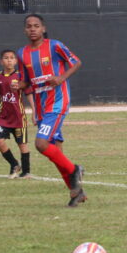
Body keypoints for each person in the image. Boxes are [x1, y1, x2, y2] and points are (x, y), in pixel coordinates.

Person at [15, 14, 86, 207]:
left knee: (41, 143)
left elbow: (76, 62)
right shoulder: (22, 53)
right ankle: (76, 192)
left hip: (57, 103)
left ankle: (76, 170)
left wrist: (61, 78)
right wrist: (18, 85)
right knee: (56, 154)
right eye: (29, 26)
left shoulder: (55, 46)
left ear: (43, 28)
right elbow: (26, 80)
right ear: (24, 30)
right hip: (41, 107)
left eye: (36, 26)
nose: (32, 29)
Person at [0, 49, 34, 179]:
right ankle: (14, 164)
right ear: (1, 61)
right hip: (4, 117)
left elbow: (29, 93)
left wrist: (34, 112)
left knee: (22, 144)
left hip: (18, 116)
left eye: (12, 58)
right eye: (6, 58)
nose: (9, 60)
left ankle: (26, 172)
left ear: (15, 61)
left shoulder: (20, 76)